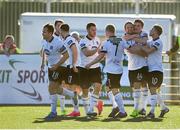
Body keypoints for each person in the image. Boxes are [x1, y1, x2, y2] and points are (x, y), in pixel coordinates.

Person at [85, 24, 130, 118]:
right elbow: (129, 49)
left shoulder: (106, 42)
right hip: (119, 68)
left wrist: (90, 64)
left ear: (107, 32)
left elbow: (101, 56)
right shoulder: (121, 40)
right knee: (108, 88)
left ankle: (122, 111)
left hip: (112, 70)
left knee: (114, 89)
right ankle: (115, 107)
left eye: (105, 32)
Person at [128, 25, 169, 118]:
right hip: (149, 69)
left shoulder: (158, 42)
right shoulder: (151, 41)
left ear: (156, 32)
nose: (150, 30)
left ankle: (152, 112)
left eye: (152, 29)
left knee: (153, 89)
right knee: (152, 90)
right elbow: (144, 44)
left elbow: (149, 51)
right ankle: (163, 107)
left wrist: (140, 46)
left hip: (156, 70)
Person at [40, 24, 78, 120]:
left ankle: (53, 112)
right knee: (55, 89)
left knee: (51, 87)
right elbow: (44, 52)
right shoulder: (43, 41)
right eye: (42, 31)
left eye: (44, 31)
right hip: (51, 67)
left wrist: (56, 65)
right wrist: (43, 63)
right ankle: (72, 94)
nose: (42, 33)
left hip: (60, 67)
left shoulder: (58, 42)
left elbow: (66, 56)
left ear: (50, 33)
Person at [124, 20, 149, 117]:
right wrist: (139, 50)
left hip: (142, 65)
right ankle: (141, 108)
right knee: (136, 88)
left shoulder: (143, 34)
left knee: (141, 86)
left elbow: (144, 46)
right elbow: (131, 49)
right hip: (131, 67)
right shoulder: (126, 38)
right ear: (125, 29)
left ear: (141, 27)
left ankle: (138, 109)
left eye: (133, 27)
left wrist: (138, 50)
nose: (133, 28)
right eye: (129, 27)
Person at [79, 23, 103, 118]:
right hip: (84, 68)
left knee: (98, 86)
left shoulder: (97, 40)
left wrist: (101, 54)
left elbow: (100, 53)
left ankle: (91, 110)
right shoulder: (82, 41)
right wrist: (97, 50)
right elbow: (87, 53)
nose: (94, 31)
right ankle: (87, 112)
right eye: (93, 30)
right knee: (85, 92)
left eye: (95, 30)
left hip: (95, 67)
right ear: (88, 30)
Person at [60, 24, 81, 117]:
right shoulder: (67, 40)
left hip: (73, 66)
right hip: (72, 65)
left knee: (72, 89)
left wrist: (73, 65)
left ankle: (76, 111)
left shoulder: (69, 39)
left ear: (61, 30)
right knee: (72, 88)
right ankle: (76, 110)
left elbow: (75, 51)